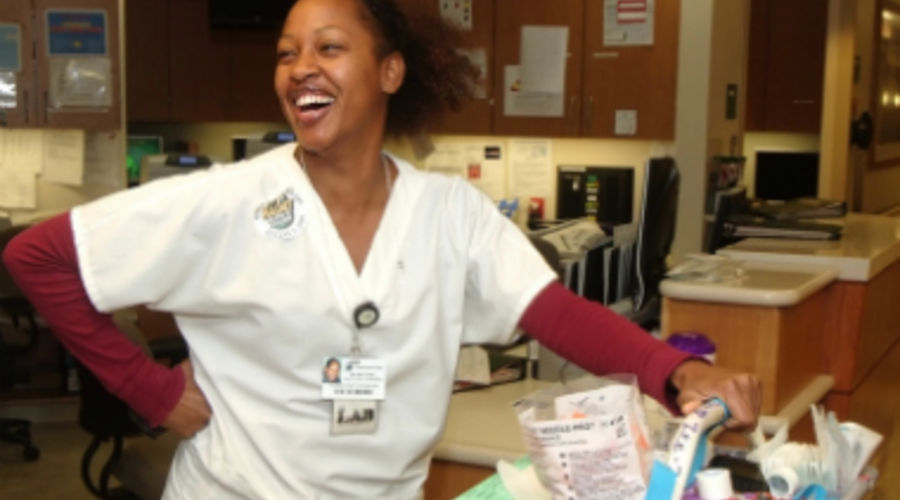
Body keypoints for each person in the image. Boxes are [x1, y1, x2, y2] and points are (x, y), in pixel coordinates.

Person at [1, 0, 761, 498]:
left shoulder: (449, 213)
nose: (301, 67)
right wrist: (150, 390)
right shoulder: (227, 202)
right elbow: (38, 256)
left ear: (390, 71)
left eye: (329, 47)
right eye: (287, 53)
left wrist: (676, 372)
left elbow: (555, 313)